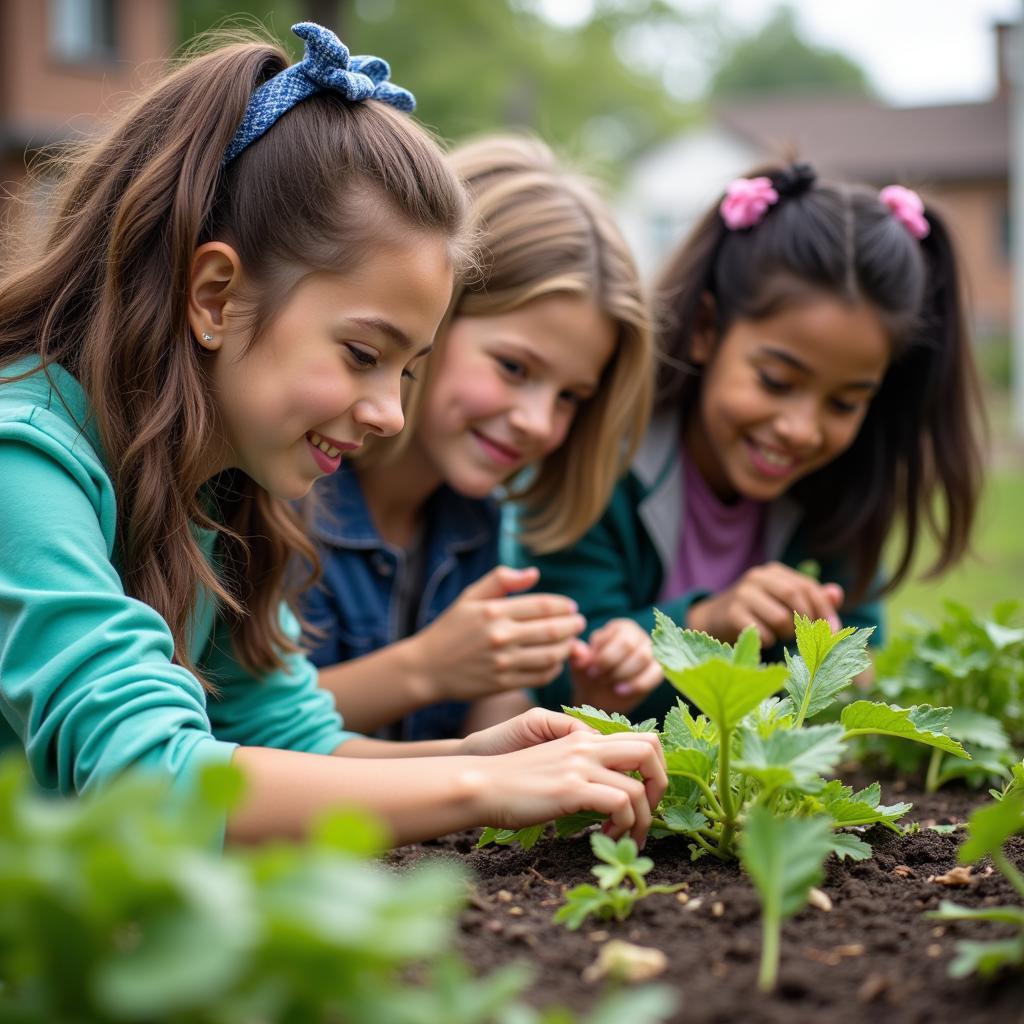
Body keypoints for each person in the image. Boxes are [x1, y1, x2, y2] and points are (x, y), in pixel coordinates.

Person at [0, 24, 666, 846]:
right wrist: (480, 784)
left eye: (408, 370)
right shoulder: (22, 462)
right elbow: (142, 773)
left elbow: (291, 738)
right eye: (362, 354)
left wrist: (484, 751)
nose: (388, 412)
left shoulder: (223, 483)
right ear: (214, 296)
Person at [521, 162, 984, 718]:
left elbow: (860, 666)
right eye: (776, 382)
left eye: (844, 402)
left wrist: (839, 657)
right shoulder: (601, 462)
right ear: (705, 330)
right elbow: (552, 684)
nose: (801, 428)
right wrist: (704, 625)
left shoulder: (842, 484)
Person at [302, 134, 662, 739]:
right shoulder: (287, 488)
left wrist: (589, 699)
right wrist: (425, 669)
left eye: (571, 397)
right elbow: (236, 729)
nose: (538, 422)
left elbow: (485, 729)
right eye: (515, 368)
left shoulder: (481, 524)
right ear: (429, 316)